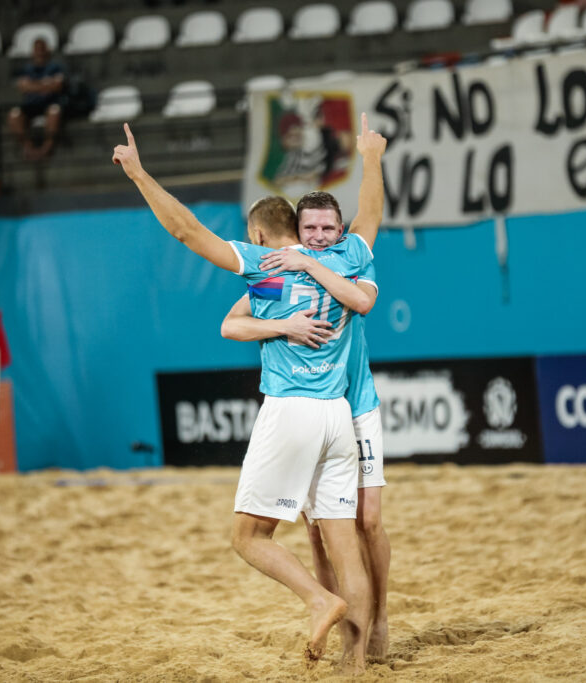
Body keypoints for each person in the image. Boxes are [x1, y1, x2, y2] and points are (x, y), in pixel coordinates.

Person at [111, 122, 378, 671]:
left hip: (292, 411)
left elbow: (186, 231)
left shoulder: (263, 265)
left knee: (248, 537)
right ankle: (356, 664)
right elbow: (371, 217)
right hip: (339, 414)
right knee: (344, 543)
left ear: (257, 236)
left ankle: (317, 599)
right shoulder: (344, 257)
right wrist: (371, 158)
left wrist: (139, 174)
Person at [220, 115, 391, 659]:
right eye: (310, 230)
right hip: (331, 405)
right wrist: (282, 317)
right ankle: (350, 636)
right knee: (324, 529)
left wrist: (371, 159)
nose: (319, 237)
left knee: (366, 521)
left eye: (327, 229)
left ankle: (376, 619)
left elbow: (363, 286)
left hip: (352, 401)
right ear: (298, 229)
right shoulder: (283, 268)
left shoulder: (345, 258)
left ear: (339, 231)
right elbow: (233, 322)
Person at [8, 38, 66, 160]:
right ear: (33, 52)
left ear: (47, 50)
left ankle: (46, 149)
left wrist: (33, 85)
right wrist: (45, 85)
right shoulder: (26, 69)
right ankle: (28, 148)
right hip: (30, 104)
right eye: (37, 50)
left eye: (42, 49)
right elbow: (23, 87)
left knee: (55, 111)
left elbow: (57, 86)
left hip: (49, 103)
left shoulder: (55, 67)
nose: (39, 52)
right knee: (14, 115)